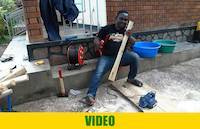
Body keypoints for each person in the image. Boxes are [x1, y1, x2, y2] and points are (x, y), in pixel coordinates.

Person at [80, 10, 143, 106]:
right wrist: (96, 42)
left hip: (122, 56)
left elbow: (133, 42)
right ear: (116, 19)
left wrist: (129, 36)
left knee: (135, 57)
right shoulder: (107, 29)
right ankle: (90, 95)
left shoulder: (127, 31)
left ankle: (131, 78)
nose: (123, 21)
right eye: (121, 18)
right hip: (107, 57)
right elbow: (97, 37)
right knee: (98, 72)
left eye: (125, 20)